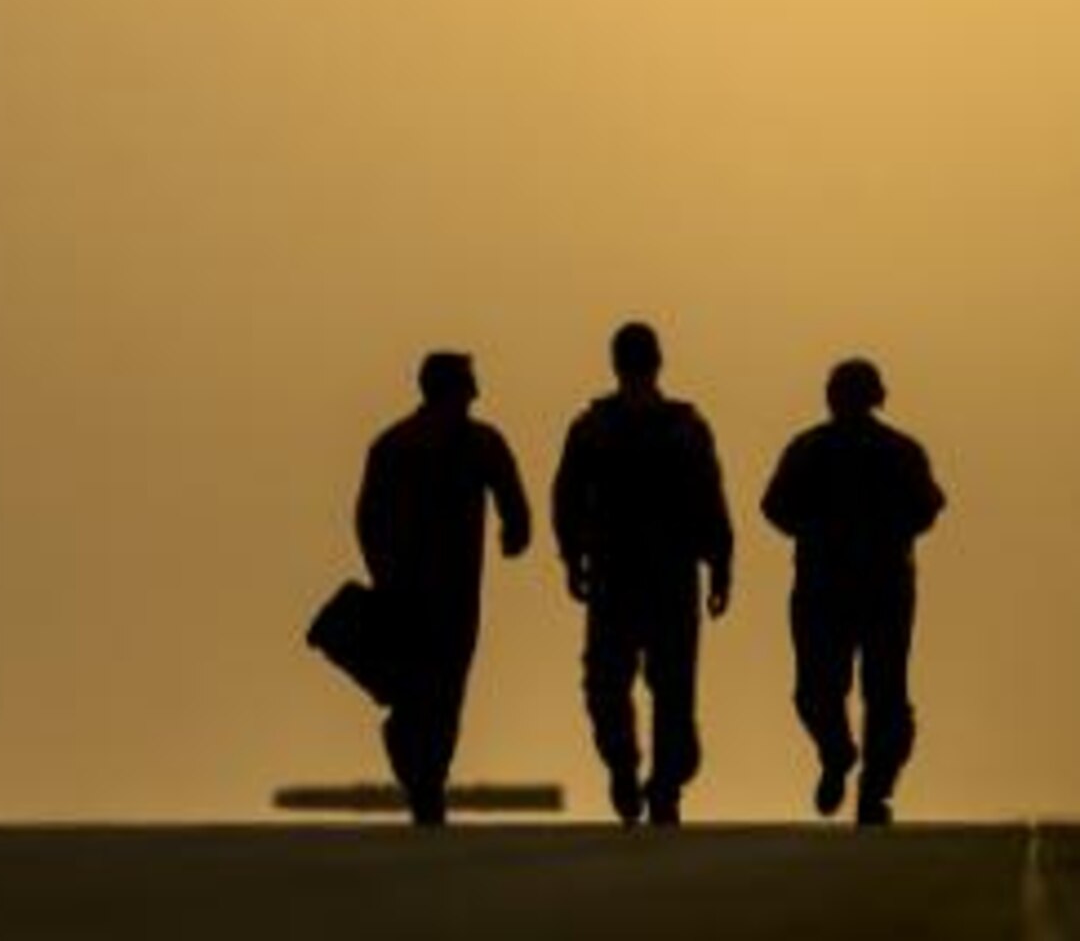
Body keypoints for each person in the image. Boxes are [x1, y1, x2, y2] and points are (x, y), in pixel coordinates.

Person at [554, 322, 732, 826]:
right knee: (671, 688)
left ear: (616, 362)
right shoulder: (686, 428)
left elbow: (566, 500)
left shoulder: (593, 428)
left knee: (608, 685)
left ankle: (630, 770)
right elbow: (710, 501)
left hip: (617, 576)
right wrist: (720, 566)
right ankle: (662, 786)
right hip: (669, 578)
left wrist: (572, 559)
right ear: (658, 362)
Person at [762, 358, 944, 827]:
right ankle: (866, 783)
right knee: (880, 694)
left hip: (828, 586)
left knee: (825, 690)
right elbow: (928, 508)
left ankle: (844, 759)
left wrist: (820, 533)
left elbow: (775, 508)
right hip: (878, 587)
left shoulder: (810, 449)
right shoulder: (899, 451)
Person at [354, 351, 531, 825]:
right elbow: (514, 505)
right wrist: (516, 533)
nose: (476, 394)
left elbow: (367, 520)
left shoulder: (399, 444)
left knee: (434, 690)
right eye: (469, 385)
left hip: (423, 590)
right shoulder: (468, 444)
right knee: (438, 690)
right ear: (452, 391)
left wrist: (382, 571)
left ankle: (423, 777)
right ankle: (425, 781)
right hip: (434, 593)